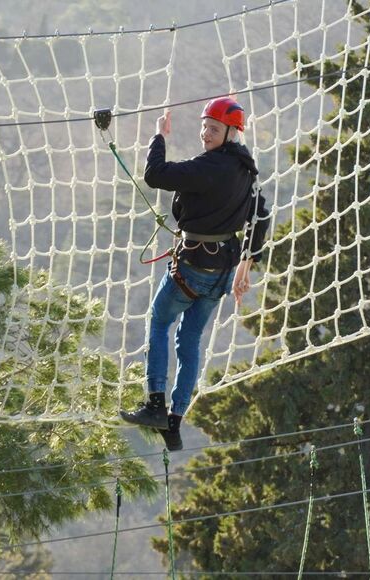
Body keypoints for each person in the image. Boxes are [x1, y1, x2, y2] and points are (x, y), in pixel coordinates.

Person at [119, 96, 270, 451]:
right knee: (189, 342)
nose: (205, 133)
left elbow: (155, 175)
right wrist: (244, 269)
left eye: (213, 128)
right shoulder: (247, 170)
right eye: (204, 127)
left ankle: (156, 403)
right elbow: (260, 218)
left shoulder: (207, 167)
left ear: (231, 132)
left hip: (191, 266)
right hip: (221, 272)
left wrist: (159, 136)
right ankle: (175, 422)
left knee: (158, 322)